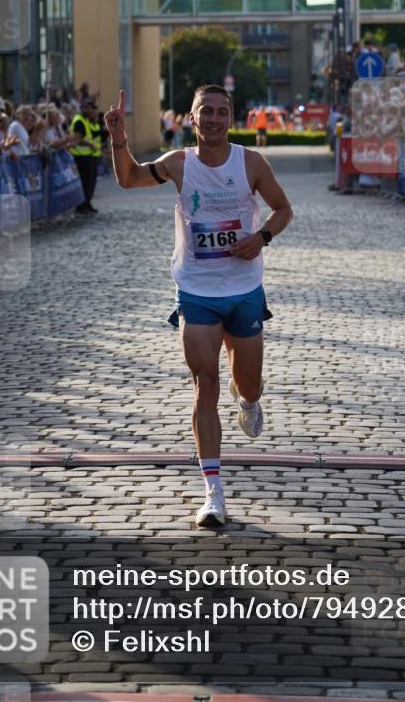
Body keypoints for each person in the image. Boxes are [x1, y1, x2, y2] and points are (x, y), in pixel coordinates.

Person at [104, 85, 293, 527]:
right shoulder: (178, 164)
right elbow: (128, 178)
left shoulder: (250, 163)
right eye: (204, 112)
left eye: (220, 112)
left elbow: (283, 209)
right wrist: (118, 138)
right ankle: (213, 493)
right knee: (203, 384)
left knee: (248, 384)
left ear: (231, 118)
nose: (212, 119)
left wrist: (261, 236)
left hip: (244, 289)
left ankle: (247, 400)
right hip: (196, 291)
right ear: (191, 119)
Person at [70, 98, 103, 214]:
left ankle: (87, 203)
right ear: (82, 108)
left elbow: (93, 135)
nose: (89, 110)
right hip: (81, 156)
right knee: (85, 182)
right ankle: (82, 205)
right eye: (87, 107)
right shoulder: (79, 120)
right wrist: (90, 145)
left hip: (89, 155)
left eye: (91, 107)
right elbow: (78, 138)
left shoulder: (86, 120)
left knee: (90, 183)